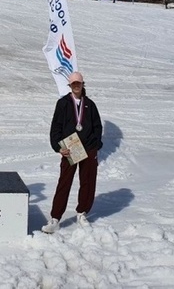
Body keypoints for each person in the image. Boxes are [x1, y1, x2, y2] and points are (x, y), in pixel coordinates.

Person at [42, 71, 103, 233]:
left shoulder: (90, 104)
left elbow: (97, 127)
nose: (76, 86)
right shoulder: (63, 103)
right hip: (70, 148)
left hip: (89, 148)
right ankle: (55, 218)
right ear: (70, 86)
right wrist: (58, 147)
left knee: (88, 182)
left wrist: (96, 145)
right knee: (65, 182)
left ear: (83, 85)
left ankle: (82, 213)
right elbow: (55, 128)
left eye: (79, 83)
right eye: (73, 84)